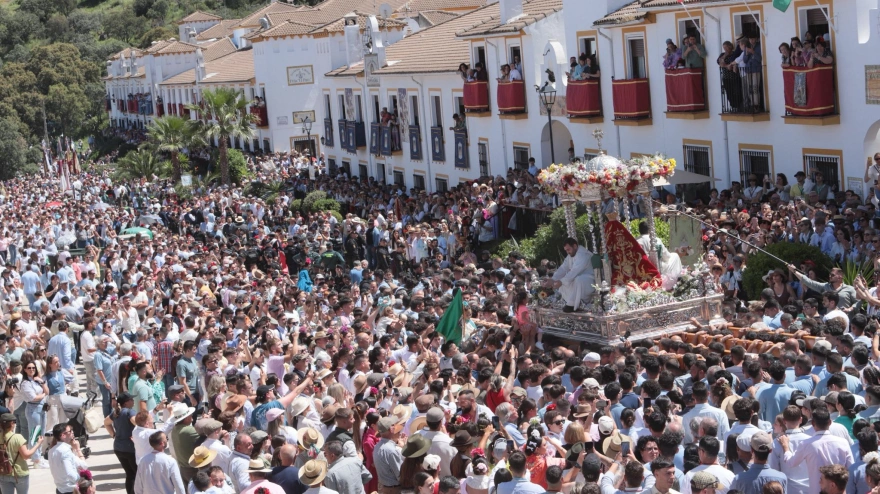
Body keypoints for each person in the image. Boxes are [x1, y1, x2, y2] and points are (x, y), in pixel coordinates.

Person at [545, 238, 594, 313]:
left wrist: (561, 281)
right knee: (566, 280)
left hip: (590, 280)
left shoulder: (583, 255)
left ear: (575, 246)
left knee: (577, 279)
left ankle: (574, 305)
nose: (567, 252)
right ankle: (569, 302)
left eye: (568, 249)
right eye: (566, 250)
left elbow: (575, 271)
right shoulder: (570, 256)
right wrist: (553, 279)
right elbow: (563, 268)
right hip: (577, 278)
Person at [0, 413, 42, 494]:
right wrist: (38, 444)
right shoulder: (17, 438)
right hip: (19, 473)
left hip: (3, 473)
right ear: (12, 423)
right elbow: (26, 456)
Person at [48, 423, 88, 494]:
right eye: (70, 431)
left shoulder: (51, 451)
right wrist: (81, 480)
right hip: (71, 490)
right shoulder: (65, 451)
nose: (72, 432)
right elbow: (82, 467)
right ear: (63, 435)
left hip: (60, 489)